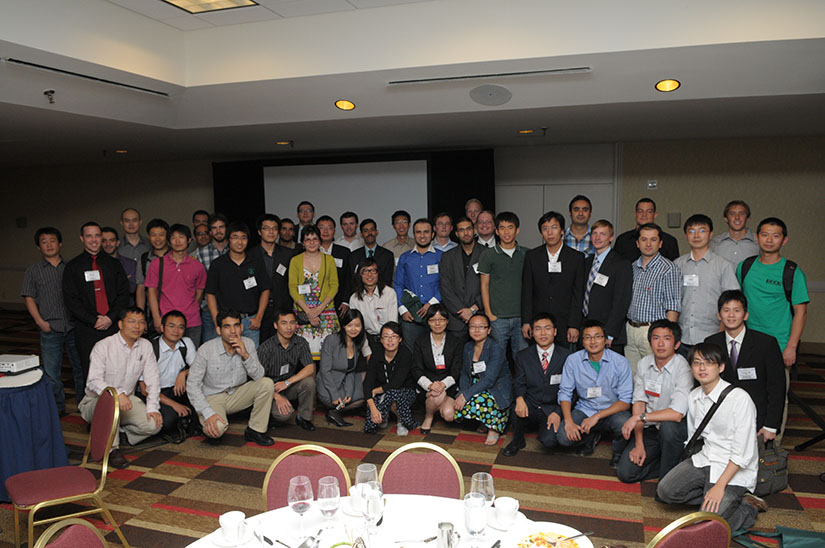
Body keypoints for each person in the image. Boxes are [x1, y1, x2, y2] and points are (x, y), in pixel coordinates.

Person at [657, 343, 764, 531]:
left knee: (704, 526)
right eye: (697, 363)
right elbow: (695, 438)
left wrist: (719, 486)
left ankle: (747, 507)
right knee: (664, 492)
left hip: (734, 468)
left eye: (708, 363)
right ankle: (716, 501)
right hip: (705, 459)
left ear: (721, 367)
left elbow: (742, 453)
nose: (702, 368)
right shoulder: (694, 396)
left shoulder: (740, 399)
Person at [737, 217, 808, 443]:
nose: (769, 240)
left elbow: (800, 312)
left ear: (784, 240)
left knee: (776, 397)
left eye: (775, 235)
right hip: (747, 343)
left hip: (779, 345)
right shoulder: (745, 267)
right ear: (756, 237)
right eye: (765, 235)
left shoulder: (792, 272)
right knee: (745, 393)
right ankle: (744, 445)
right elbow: (735, 304)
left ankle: (772, 450)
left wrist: (792, 347)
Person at [79, 307, 162, 469]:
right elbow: (93, 381)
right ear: (120, 324)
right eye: (131, 321)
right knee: (112, 403)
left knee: (154, 425)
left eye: (141, 322)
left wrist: (153, 407)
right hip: (95, 401)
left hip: (127, 399)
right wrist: (117, 393)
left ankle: (117, 433)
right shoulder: (103, 346)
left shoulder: (145, 346)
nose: (137, 326)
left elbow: (153, 379)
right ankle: (112, 450)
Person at [616, 320, 692, 482]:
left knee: (668, 427)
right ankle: (671, 463)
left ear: (677, 344)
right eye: (656, 338)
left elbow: (677, 413)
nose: (661, 343)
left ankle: (668, 475)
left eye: (667, 338)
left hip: (674, 430)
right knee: (626, 473)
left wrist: (639, 418)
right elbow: (639, 403)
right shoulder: (644, 364)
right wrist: (639, 444)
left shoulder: (683, 367)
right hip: (650, 429)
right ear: (650, 342)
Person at [705, 290, 786, 442]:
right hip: (720, 419)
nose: (731, 315)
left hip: (756, 421)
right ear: (719, 315)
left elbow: (777, 387)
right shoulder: (711, 343)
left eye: (737, 310)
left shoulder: (766, 344)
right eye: (726, 310)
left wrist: (770, 425)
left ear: (746, 315)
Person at [186, 310, 275, 446]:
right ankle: (202, 420)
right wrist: (207, 413)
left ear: (242, 327)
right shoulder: (206, 349)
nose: (233, 331)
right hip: (213, 397)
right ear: (218, 330)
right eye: (227, 326)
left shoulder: (248, 343)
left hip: (237, 394)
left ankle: (255, 430)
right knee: (217, 430)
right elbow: (192, 385)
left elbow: (259, 376)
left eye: (236, 325)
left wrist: (245, 355)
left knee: (267, 383)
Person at [63, 221, 130, 399]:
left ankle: (116, 411)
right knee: (90, 371)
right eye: (89, 236)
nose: (94, 240)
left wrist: (110, 317)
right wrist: (93, 320)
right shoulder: (73, 267)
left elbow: (124, 294)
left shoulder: (114, 264)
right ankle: (93, 414)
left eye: (97, 236)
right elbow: (71, 300)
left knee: (116, 369)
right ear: (81, 239)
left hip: (113, 326)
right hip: (86, 329)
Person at [21, 227, 81, 414]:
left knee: (80, 369)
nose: (49, 244)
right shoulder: (33, 271)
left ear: (60, 244)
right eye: (44, 241)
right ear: (39, 247)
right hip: (49, 327)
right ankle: (58, 408)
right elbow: (29, 297)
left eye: (52, 240)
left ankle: (84, 405)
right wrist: (39, 321)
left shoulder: (71, 267)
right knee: (52, 373)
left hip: (73, 326)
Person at [557, 320, 632, 464]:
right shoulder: (573, 360)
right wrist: (568, 421)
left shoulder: (620, 362)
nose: (593, 341)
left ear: (605, 340)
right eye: (587, 337)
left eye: (598, 336)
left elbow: (625, 401)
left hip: (613, 410)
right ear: (582, 340)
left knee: (624, 423)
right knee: (563, 438)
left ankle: (618, 452)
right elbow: (565, 392)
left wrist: (597, 416)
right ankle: (591, 436)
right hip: (585, 409)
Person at [503, 313, 571, 457]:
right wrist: (520, 398)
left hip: (552, 407)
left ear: (555, 331)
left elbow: (573, 390)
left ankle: (543, 431)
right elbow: (519, 382)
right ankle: (518, 440)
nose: (543, 333)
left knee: (549, 442)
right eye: (538, 329)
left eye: (547, 328)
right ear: (532, 332)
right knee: (515, 406)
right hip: (531, 404)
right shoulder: (523, 356)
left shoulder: (567, 356)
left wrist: (558, 412)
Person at [674, 214, 739, 355]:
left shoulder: (723, 266)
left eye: (702, 230)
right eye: (691, 231)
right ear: (686, 235)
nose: (696, 235)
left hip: (712, 336)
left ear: (711, 234)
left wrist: (722, 333)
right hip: (682, 338)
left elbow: (731, 303)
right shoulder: (677, 265)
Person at [625, 223, 682, 377]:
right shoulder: (632, 267)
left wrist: (667, 336)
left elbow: (673, 305)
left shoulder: (668, 269)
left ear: (660, 243)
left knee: (656, 377)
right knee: (634, 377)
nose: (648, 244)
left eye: (653, 240)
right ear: (637, 243)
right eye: (644, 239)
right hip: (631, 330)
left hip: (653, 332)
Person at [521, 211, 585, 347]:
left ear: (562, 231)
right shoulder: (532, 256)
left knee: (563, 362)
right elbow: (527, 291)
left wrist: (574, 324)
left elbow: (578, 294)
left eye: (554, 228)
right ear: (541, 233)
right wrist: (526, 321)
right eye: (545, 229)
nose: (550, 233)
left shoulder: (576, 258)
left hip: (565, 323)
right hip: (539, 323)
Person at [205, 222, 271, 346]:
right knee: (225, 361)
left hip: (250, 322)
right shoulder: (218, 264)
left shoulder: (256, 262)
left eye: (243, 237)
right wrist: (216, 321)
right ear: (228, 239)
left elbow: (265, 290)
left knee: (250, 361)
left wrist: (258, 318)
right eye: (235, 237)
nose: (239, 242)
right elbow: (210, 294)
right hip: (226, 322)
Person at [454, 314, 513, 445]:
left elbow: (489, 380)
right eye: (473, 327)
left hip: (495, 387)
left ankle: (494, 428)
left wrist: (465, 396)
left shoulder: (496, 348)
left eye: (481, 327)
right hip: (475, 383)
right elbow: (464, 373)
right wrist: (463, 392)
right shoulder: (468, 347)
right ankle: (484, 421)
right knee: (459, 403)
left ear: (489, 330)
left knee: (478, 400)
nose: (476, 330)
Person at [139, 310, 196, 443]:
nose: (176, 331)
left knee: (200, 406)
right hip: (155, 394)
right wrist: (174, 405)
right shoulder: (151, 347)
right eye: (171, 326)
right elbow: (143, 389)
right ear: (162, 328)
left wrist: (184, 373)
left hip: (177, 390)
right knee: (169, 419)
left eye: (180, 327)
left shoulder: (186, 343)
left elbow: (199, 368)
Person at [145, 223, 207, 345]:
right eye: (173, 237)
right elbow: (151, 292)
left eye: (181, 237)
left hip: (192, 322)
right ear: (169, 241)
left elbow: (199, 294)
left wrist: (191, 309)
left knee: (192, 360)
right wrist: (157, 318)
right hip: (167, 321)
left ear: (189, 240)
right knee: (167, 360)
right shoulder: (157, 264)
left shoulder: (198, 266)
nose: (177, 241)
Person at [478, 212, 527, 360]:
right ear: (497, 231)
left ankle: (520, 384)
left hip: (521, 317)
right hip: (497, 317)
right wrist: (489, 314)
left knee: (521, 358)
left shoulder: (527, 254)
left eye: (510, 227)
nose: (507, 232)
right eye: (502, 228)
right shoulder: (488, 255)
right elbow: (484, 285)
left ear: (517, 230)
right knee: (497, 358)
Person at [257, 310, 317, 431]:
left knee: (309, 382)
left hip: (287, 385)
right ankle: (269, 415)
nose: (288, 327)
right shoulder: (266, 348)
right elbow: (257, 379)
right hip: (269, 389)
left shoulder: (300, 342)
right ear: (275, 325)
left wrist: (288, 382)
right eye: (284, 323)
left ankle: (304, 418)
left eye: (292, 323)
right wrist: (276, 396)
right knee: (284, 415)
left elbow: (310, 367)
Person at [581, 220, 632, 355]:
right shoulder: (586, 262)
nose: (598, 237)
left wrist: (609, 334)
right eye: (595, 233)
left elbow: (621, 301)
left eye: (603, 234)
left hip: (609, 334)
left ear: (611, 237)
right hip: (588, 331)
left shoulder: (621, 264)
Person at [288, 225, 340, 359]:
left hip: (326, 312)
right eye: (307, 239)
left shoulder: (329, 260)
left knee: (329, 357)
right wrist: (309, 312)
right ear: (303, 243)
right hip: (303, 314)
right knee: (305, 358)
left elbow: (334, 285)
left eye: (315, 239)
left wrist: (320, 308)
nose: (311, 242)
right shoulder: (295, 261)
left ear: (320, 240)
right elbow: (292, 287)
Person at [412, 304, 463, 434]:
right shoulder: (420, 341)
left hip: (449, 385)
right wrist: (430, 385)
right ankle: (428, 416)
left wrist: (443, 385)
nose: (437, 323)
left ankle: (437, 405)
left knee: (449, 415)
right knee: (437, 395)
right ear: (428, 322)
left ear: (447, 321)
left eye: (441, 319)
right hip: (428, 386)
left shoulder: (455, 341)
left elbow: (456, 369)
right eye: (433, 320)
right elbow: (416, 369)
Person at [393, 218, 443, 348]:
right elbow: (398, 284)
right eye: (418, 232)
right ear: (414, 234)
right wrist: (402, 309)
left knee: (436, 349)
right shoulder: (405, 257)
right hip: (410, 314)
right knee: (412, 352)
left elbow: (446, 284)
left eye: (426, 232)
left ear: (432, 234)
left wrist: (430, 304)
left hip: (435, 312)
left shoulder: (442, 257)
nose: (422, 236)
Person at [363, 322, 418, 435]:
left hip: (405, 392)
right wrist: (372, 406)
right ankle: (382, 415)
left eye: (394, 337)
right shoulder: (377, 354)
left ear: (400, 339)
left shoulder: (406, 354)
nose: (390, 340)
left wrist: (376, 391)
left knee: (392, 394)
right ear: (381, 339)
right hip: (381, 392)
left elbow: (396, 383)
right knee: (370, 426)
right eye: (386, 337)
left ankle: (402, 421)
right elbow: (368, 381)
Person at [318, 309, 370, 427]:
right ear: (343, 326)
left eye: (357, 325)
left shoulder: (357, 342)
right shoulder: (331, 340)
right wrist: (334, 395)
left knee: (367, 390)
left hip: (344, 380)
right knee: (357, 397)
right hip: (328, 384)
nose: (353, 329)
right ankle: (335, 408)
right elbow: (325, 371)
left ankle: (335, 411)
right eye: (349, 325)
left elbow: (350, 371)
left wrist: (349, 391)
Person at [250, 214, 294, 344]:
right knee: (261, 348)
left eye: (274, 228)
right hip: (258, 310)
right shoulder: (250, 255)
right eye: (266, 228)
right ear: (259, 231)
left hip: (283, 308)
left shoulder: (288, 254)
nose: (271, 232)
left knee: (283, 348)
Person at [439, 216, 484, 341]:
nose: (466, 233)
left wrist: (473, 309)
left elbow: (492, 286)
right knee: (457, 358)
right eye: (462, 230)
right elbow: (445, 288)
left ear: (474, 230)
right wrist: (462, 312)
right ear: (457, 234)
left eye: (469, 229)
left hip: (481, 317)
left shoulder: (487, 254)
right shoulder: (447, 257)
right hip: (456, 320)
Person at [349, 257, 398, 355]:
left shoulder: (389, 293)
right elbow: (358, 329)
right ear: (360, 275)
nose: (370, 275)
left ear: (378, 273)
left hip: (388, 340)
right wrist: (367, 352)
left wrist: (388, 347)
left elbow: (393, 325)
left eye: (373, 271)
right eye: (365, 271)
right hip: (366, 341)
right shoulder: (354, 299)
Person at [196, 213, 230, 342]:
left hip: (232, 308)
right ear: (210, 232)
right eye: (214, 228)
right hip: (209, 311)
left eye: (221, 227)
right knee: (211, 350)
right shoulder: (199, 253)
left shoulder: (236, 249)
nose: (218, 231)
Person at [614, 198, 679, 262]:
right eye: (640, 211)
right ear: (635, 214)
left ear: (655, 215)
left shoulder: (669, 241)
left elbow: (674, 267)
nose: (644, 215)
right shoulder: (622, 240)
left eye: (649, 211)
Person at [317, 215, 352, 313]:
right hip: (314, 302)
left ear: (334, 231)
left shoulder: (344, 252)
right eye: (321, 228)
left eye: (329, 228)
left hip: (339, 302)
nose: (325, 231)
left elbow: (349, 279)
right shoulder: (311, 252)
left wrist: (346, 301)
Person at [710, 200, 759, 265]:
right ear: (726, 219)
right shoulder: (714, 243)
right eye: (732, 214)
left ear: (748, 218)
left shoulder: (759, 242)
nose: (737, 217)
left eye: (741, 213)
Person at [351, 218, 394, 286]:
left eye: (372, 230)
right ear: (361, 234)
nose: (369, 233)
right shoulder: (353, 256)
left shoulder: (387, 255)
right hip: (359, 294)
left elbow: (387, 281)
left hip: (382, 294)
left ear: (376, 232)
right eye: (366, 231)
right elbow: (352, 281)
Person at [101, 226, 138, 305]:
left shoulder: (130, 264)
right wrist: (124, 280)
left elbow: (132, 289)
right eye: (104, 241)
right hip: (105, 311)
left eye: (112, 240)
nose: (108, 244)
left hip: (127, 309)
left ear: (117, 243)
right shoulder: (95, 265)